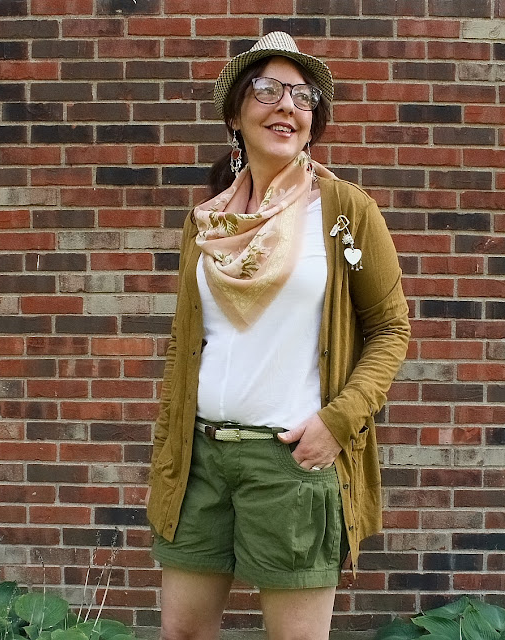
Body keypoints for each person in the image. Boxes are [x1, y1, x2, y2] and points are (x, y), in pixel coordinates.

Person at [146, 32, 410, 640]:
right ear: (234, 115)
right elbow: (187, 341)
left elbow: (391, 328)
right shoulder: (208, 223)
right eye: (267, 90)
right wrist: (170, 439)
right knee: (183, 634)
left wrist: (339, 422)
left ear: (313, 120)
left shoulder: (346, 213)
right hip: (199, 459)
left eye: (302, 95)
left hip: (291, 461)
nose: (287, 105)